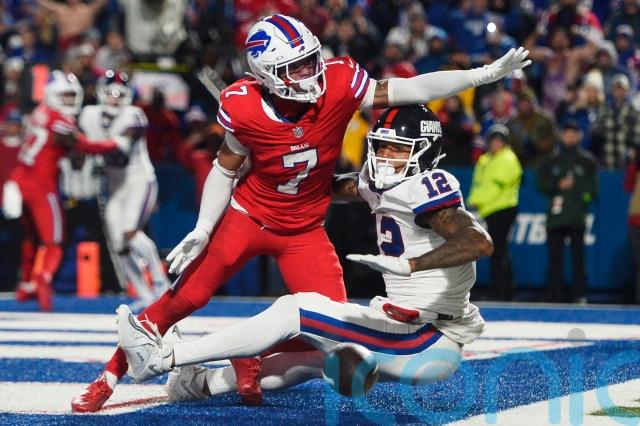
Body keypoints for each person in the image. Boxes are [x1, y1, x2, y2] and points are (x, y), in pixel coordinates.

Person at [71, 14, 529, 412]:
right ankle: (107, 377)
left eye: (312, 59)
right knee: (184, 298)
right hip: (248, 217)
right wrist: (204, 227)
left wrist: (480, 75)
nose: (312, 72)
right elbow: (225, 168)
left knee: (329, 331)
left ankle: (243, 358)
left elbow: (412, 88)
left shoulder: (340, 84)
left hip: (305, 229)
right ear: (267, 73)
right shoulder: (243, 105)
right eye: (298, 66)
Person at [116, 105, 493, 399]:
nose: (383, 156)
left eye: (396, 148)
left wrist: (412, 264)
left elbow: (478, 241)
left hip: (428, 339)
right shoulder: (380, 181)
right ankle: (199, 385)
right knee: (310, 360)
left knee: (296, 310)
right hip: (404, 327)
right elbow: (338, 187)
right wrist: (273, 171)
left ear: (425, 152)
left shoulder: (427, 184)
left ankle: (162, 358)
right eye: (380, 146)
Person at [3, 70, 130, 312]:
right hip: (42, 186)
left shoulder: (40, 112)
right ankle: (44, 278)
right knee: (54, 241)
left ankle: (26, 283)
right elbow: (82, 145)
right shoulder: (60, 119)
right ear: (53, 94)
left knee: (31, 238)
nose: (70, 100)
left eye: (72, 95)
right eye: (66, 95)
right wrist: (113, 143)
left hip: (20, 179)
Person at [79, 70, 171, 310]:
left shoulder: (134, 115)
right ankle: (143, 294)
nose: (114, 98)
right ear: (101, 92)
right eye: (110, 93)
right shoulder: (89, 115)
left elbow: (116, 150)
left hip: (139, 180)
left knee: (130, 232)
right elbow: (79, 155)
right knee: (119, 243)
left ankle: (161, 283)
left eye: (120, 94)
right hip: (114, 186)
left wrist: (79, 143)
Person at [537, 120, 599, 303]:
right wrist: (557, 185)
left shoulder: (587, 161)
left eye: (573, 134)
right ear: (561, 135)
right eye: (566, 134)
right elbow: (541, 185)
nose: (570, 138)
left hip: (577, 217)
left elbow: (593, 190)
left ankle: (579, 294)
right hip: (555, 218)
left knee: (578, 258)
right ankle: (554, 294)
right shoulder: (551, 160)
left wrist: (580, 199)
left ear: (579, 136)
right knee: (555, 258)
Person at [468, 124, 522, 301]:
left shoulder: (508, 158)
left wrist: (477, 201)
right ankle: (502, 291)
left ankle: (502, 292)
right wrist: (473, 199)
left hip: (503, 208)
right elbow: (479, 183)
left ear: (505, 142)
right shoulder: (486, 159)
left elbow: (495, 188)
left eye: (499, 141)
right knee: (498, 251)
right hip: (491, 209)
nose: (495, 144)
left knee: (498, 251)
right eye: (493, 140)